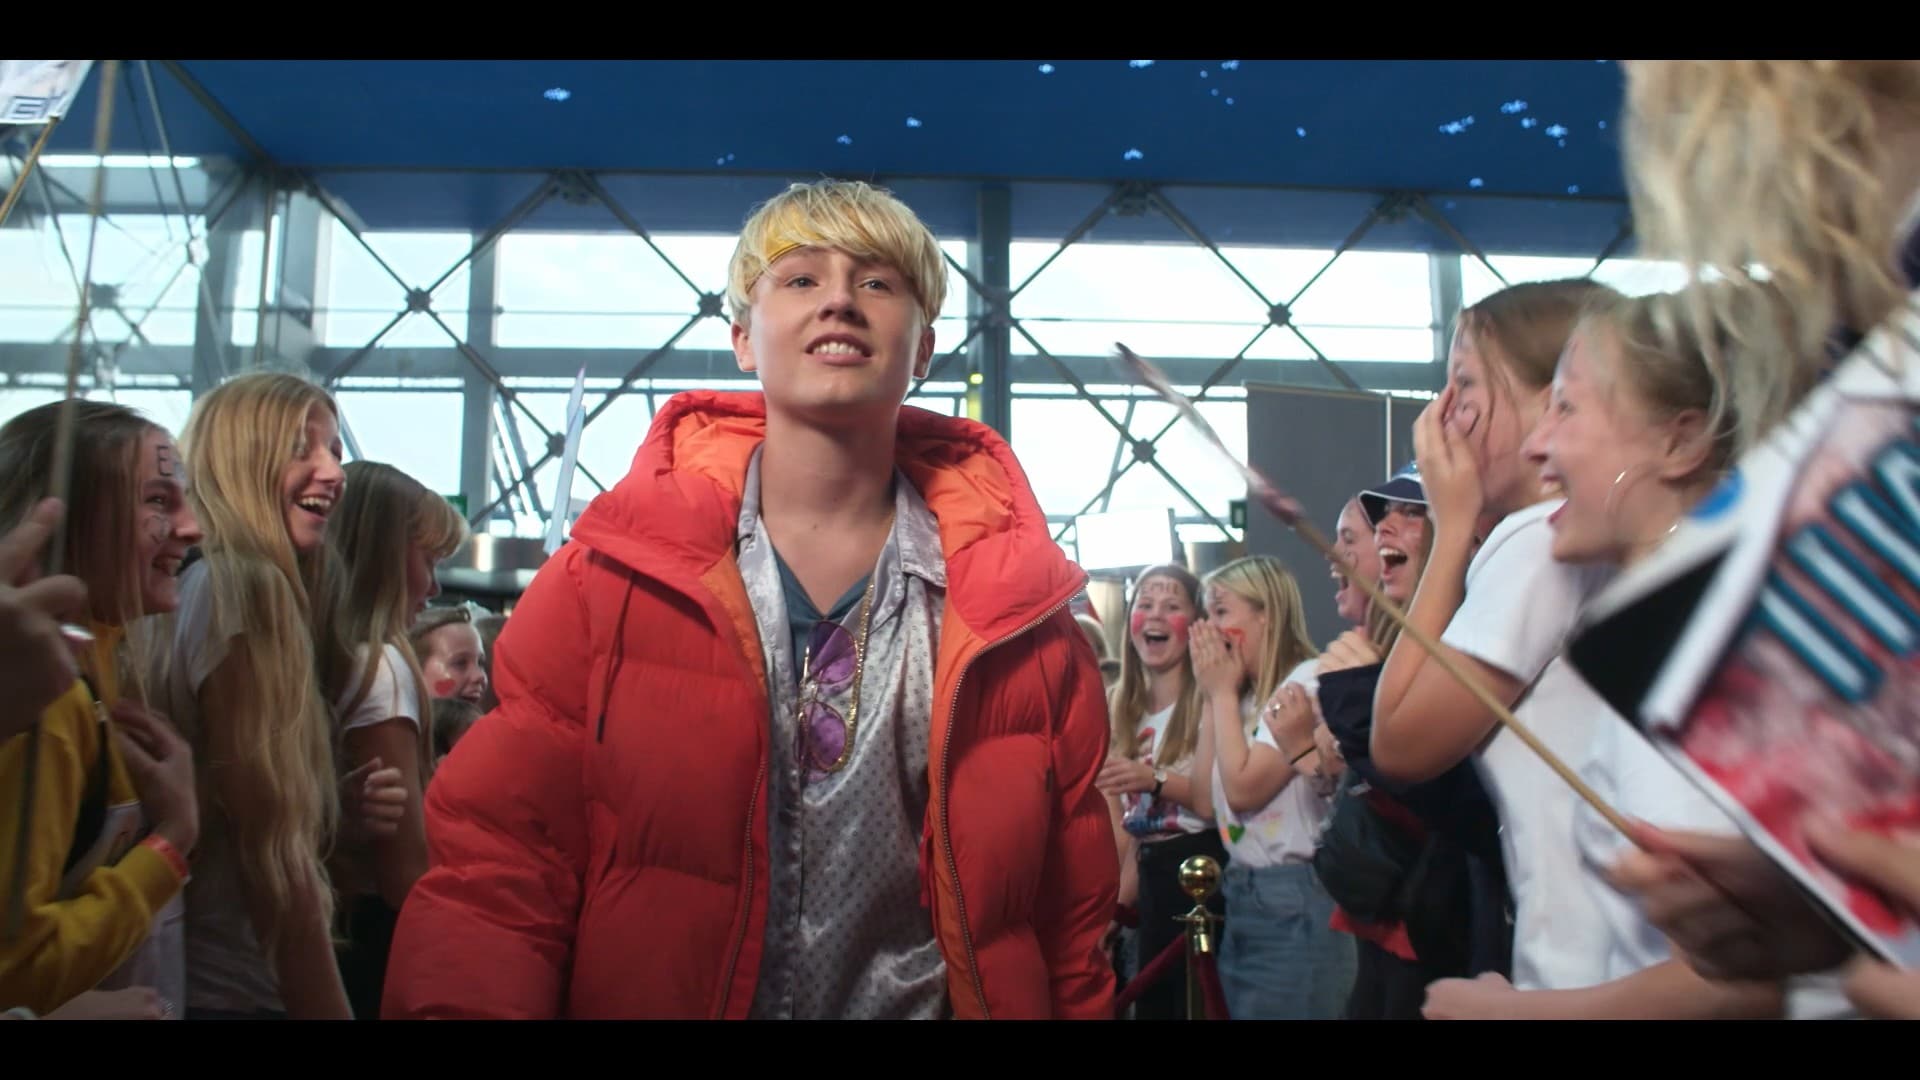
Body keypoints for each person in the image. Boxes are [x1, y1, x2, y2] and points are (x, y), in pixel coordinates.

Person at [383, 179, 1117, 1020]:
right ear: (741, 338)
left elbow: (1067, 921)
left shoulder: (1019, 623)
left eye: (877, 282)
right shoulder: (603, 585)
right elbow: (502, 869)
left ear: (923, 348)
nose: (839, 300)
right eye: (801, 279)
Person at [0, 402, 202, 1018]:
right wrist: (173, 840)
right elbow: (18, 968)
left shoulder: (94, 670)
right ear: (66, 518)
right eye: (158, 501)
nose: (192, 528)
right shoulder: (46, 699)